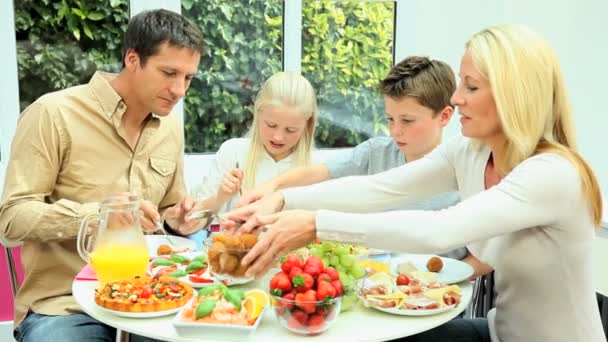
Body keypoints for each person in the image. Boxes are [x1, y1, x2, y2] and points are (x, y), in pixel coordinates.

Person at [227, 24, 605, 342]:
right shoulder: (470, 153)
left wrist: (316, 225)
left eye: (471, 87)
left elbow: (442, 229)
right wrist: (281, 199)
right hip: (499, 333)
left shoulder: (552, 174)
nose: (456, 99)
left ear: (514, 95)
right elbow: (382, 188)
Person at [0, 9, 204, 342]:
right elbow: (10, 220)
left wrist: (177, 220)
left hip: (150, 295)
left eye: (188, 78)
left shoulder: (169, 129)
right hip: (65, 305)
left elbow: (168, 214)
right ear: (132, 59)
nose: (179, 89)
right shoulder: (53, 114)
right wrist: (100, 216)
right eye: (169, 73)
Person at [238, 55, 480, 267]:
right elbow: (321, 173)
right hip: (378, 288)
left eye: (407, 121)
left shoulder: (466, 169)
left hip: (438, 298)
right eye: (390, 119)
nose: (396, 131)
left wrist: (454, 279)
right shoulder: (377, 151)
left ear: (445, 116)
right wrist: (272, 188)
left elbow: (485, 255)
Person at [185, 71, 317, 243]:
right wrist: (220, 197)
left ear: (308, 125)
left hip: (291, 265)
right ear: (257, 114)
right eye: (271, 125)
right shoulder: (233, 152)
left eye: (291, 130)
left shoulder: (317, 168)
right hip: (232, 258)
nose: (278, 137)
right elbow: (193, 219)